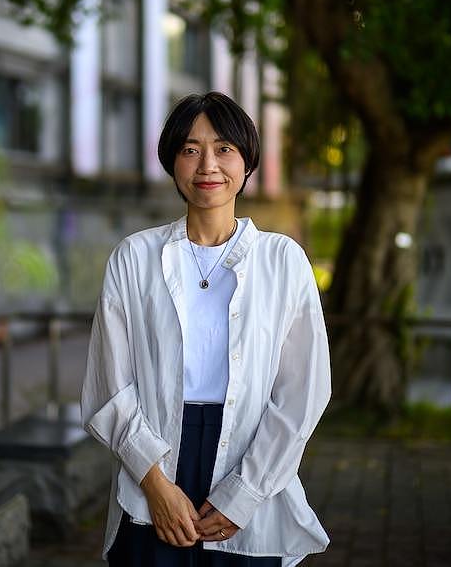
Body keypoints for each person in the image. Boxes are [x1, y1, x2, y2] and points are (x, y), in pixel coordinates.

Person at [80, 92, 331, 567]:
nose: (207, 165)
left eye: (224, 149)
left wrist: (245, 492)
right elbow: (108, 386)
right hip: (154, 459)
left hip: (251, 459)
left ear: (247, 161)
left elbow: (305, 391)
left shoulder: (283, 261)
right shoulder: (134, 257)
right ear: (172, 162)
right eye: (190, 150)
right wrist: (154, 483)